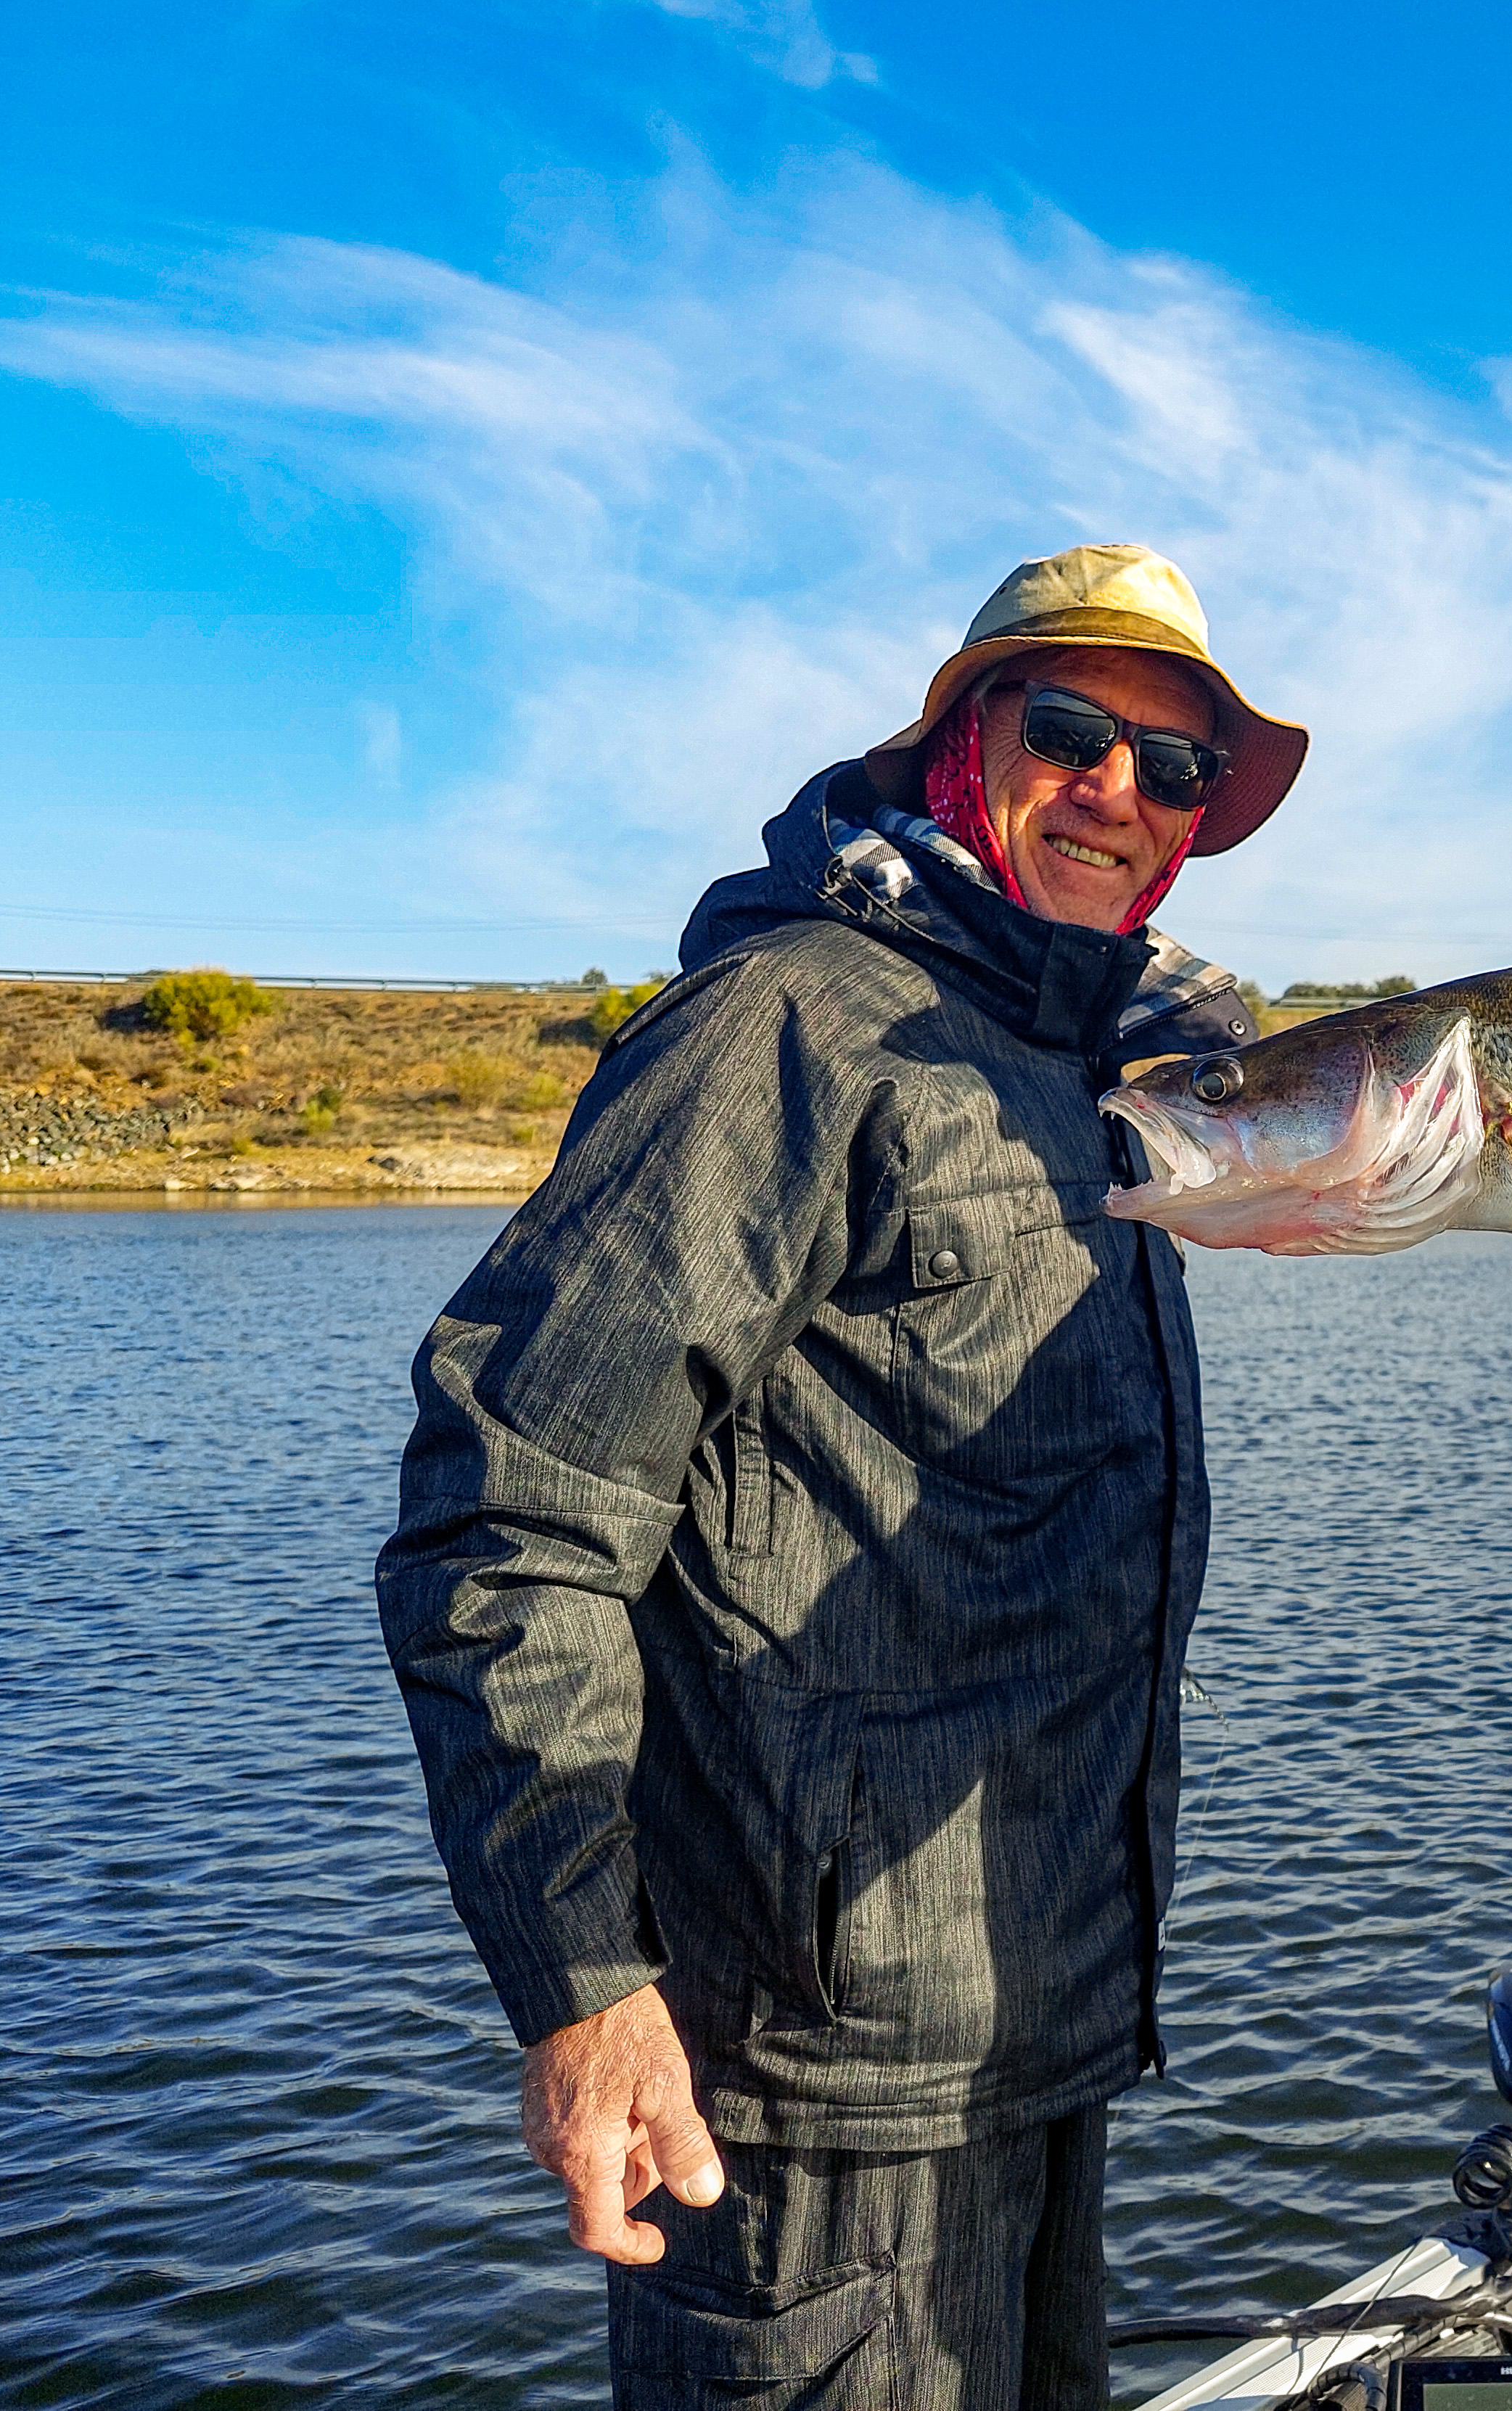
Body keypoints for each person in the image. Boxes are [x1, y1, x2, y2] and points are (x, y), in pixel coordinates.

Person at [375, 543, 1305, 2409]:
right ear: (963, 745)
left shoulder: (1086, 1071)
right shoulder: (785, 1026)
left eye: (1175, 768)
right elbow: (508, 1513)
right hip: (802, 2100)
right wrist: (580, 1982)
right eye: (1072, 736)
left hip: (1030, 2044)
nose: (1121, 796)